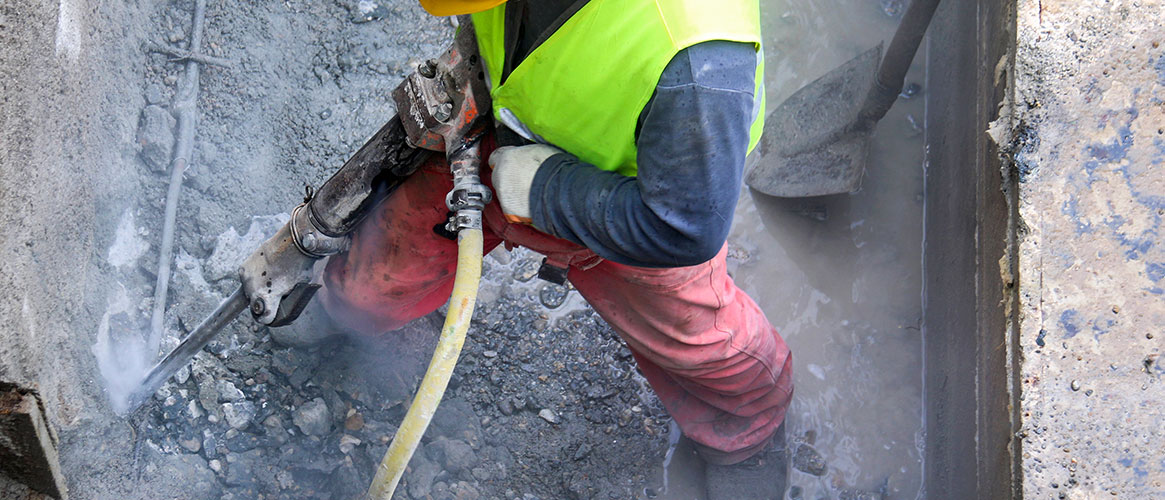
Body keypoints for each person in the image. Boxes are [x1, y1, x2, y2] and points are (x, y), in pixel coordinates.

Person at [247, 0, 793, 497]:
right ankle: (350, 308)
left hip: (631, 198)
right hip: (503, 115)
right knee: (386, 264)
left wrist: (547, 191)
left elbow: (687, 226)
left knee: (695, 336)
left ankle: (747, 432)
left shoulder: (698, 58)